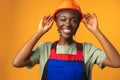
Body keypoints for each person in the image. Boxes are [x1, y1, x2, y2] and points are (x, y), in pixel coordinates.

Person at [12, 0, 120, 80]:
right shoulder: (45, 49)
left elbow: (116, 62)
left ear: (78, 24)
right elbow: (17, 62)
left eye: (74, 21)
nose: (68, 24)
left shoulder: (87, 50)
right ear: (57, 23)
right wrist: (39, 32)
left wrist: (96, 31)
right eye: (63, 20)